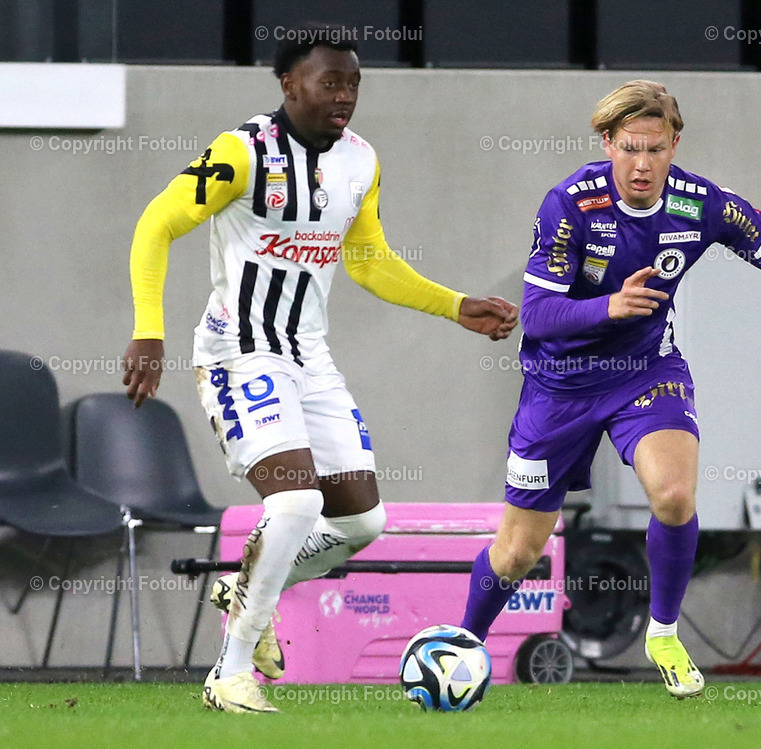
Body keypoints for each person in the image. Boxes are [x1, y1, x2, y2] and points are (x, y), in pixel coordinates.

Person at [122, 23, 518, 713]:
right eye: (330, 81)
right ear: (288, 84)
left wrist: (453, 305)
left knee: (363, 522)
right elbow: (156, 224)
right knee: (297, 502)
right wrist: (147, 332)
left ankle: (247, 589)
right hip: (239, 352)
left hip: (310, 355)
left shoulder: (360, 161)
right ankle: (230, 671)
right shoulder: (242, 153)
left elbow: (367, 259)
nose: (344, 95)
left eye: (354, 83)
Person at [459, 80, 761, 698]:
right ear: (607, 143)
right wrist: (611, 307)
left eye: (655, 149)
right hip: (559, 383)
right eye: (629, 148)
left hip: (645, 372)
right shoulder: (570, 204)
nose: (642, 164)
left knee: (675, 494)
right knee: (518, 553)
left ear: (674, 144)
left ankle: (663, 631)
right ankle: (461, 647)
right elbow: (538, 316)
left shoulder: (703, 204)